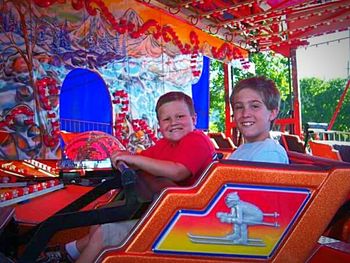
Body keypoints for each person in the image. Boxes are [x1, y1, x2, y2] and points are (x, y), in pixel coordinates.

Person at [38, 91, 216, 263]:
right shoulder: (165, 144)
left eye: (180, 117)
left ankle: (66, 253)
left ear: (194, 119)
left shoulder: (196, 140)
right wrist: (125, 157)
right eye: (166, 119)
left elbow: (177, 171)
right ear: (159, 125)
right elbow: (142, 160)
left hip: (187, 221)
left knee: (104, 233)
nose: (173, 123)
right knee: (100, 220)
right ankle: (66, 253)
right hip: (168, 214)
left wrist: (133, 159)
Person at [228, 76, 289, 164]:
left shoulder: (269, 153)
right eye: (239, 107)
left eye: (255, 106)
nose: (245, 114)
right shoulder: (241, 150)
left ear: (272, 113)